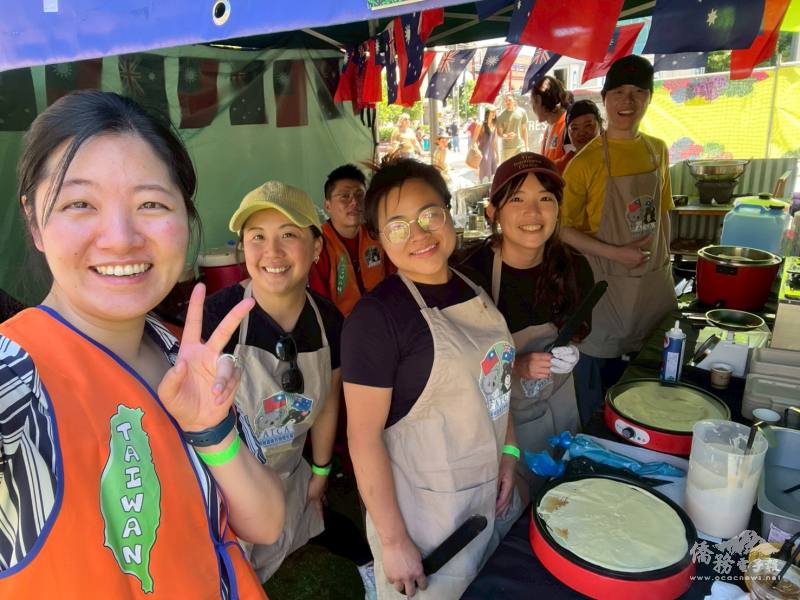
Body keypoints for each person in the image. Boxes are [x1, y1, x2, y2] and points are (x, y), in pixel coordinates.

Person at [0, 90, 285, 597]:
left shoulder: (182, 354)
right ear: (33, 221)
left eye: (150, 203)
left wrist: (212, 430)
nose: (120, 237)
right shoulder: (14, 377)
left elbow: (265, 525)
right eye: (79, 204)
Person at [342, 158, 522, 599]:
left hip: (492, 492)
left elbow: (497, 383)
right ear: (381, 240)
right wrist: (393, 541)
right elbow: (363, 438)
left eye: (428, 215)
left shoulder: (472, 284)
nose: (419, 234)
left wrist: (510, 451)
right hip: (428, 518)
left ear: (448, 211)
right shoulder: (376, 319)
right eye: (398, 226)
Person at [203, 182, 376, 593]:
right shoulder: (220, 315)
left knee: (315, 521)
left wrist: (319, 473)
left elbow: (328, 401)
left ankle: (368, 567)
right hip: (229, 481)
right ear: (242, 248)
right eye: (257, 237)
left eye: (289, 235)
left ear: (317, 247)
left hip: (290, 469)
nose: (272, 252)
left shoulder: (327, 320)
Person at [461, 153, 594, 499]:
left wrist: (569, 352)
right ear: (494, 212)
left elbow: (578, 329)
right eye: (517, 198)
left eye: (545, 199)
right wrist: (517, 366)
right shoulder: (469, 274)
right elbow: (455, 361)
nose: (533, 213)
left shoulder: (575, 268)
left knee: (562, 493)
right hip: (498, 417)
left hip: (559, 401)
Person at [560, 55, 677, 424]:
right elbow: (562, 230)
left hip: (652, 286)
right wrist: (616, 252)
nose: (629, 102)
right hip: (607, 290)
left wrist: (663, 259)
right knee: (600, 393)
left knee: (650, 388)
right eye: (620, 93)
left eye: (639, 93)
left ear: (650, 98)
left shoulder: (657, 149)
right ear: (606, 98)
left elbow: (663, 213)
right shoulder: (585, 162)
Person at [309, 165, 389, 318]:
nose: (354, 202)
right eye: (345, 196)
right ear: (327, 206)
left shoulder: (377, 236)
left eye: (360, 195)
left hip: (383, 319)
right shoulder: (318, 246)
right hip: (340, 328)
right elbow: (319, 304)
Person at [530, 75, 570, 164]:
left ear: (539, 100)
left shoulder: (569, 127)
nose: (533, 108)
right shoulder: (550, 126)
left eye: (532, 102)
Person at [555, 99, 603, 173]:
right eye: (575, 128)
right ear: (567, 132)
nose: (581, 133)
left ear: (600, 125)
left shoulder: (614, 157)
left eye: (588, 125)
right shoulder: (560, 167)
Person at [495, 93, 529, 162]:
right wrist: (506, 136)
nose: (507, 102)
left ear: (514, 101)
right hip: (507, 149)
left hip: (520, 147)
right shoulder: (501, 116)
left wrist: (526, 146)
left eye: (509, 100)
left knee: (521, 171)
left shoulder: (522, 112)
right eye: (506, 101)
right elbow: (499, 134)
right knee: (508, 172)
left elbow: (524, 130)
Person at [472, 105, 499, 182]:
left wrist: (497, 155)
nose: (494, 113)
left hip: (492, 155)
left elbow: (494, 142)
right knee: (484, 179)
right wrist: (478, 153)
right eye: (492, 111)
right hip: (483, 154)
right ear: (487, 113)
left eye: (495, 111)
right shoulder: (481, 125)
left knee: (493, 178)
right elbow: (473, 141)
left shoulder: (494, 125)